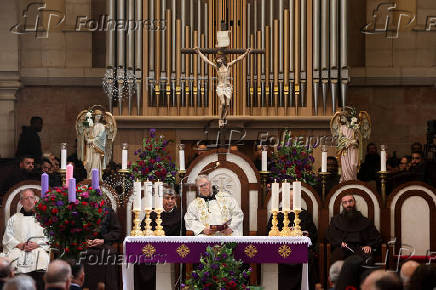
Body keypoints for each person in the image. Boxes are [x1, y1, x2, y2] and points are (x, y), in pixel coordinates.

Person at [135, 186, 185, 289]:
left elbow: (183, 232)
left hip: (174, 247)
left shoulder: (180, 213)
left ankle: (181, 285)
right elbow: (144, 230)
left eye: (173, 198)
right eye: (167, 198)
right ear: (161, 199)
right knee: (141, 255)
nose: (170, 201)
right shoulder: (153, 214)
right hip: (155, 247)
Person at [266, 194, 319, 290]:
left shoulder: (305, 214)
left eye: (293, 200)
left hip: (300, 248)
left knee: (309, 256)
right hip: (281, 248)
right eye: (289, 200)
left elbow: (313, 233)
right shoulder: (277, 214)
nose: (291, 203)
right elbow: (269, 232)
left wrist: (306, 233)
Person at [194, 47, 251, 127]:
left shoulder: (228, 65)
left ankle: (224, 118)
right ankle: (220, 119)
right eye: (217, 59)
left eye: (218, 59)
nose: (217, 60)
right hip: (220, 86)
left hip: (228, 87)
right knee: (223, 103)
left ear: (222, 59)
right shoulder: (216, 67)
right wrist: (198, 52)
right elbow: (206, 60)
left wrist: (246, 53)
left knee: (227, 105)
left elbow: (238, 59)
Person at [2, 189, 50, 277]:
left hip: (38, 250)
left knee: (42, 260)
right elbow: (8, 237)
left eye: (32, 198)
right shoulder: (14, 218)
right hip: (18, 250)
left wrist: (37, 244)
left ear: (35, 200)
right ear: (21, 202)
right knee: (12, 263)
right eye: (26, 198)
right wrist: (19, 245)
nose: (30, 201)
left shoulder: (43, 218)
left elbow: (49, 237)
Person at [327, 194, 382, 264]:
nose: (348, 204)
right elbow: (330, 235)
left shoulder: (365, 221)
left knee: (368, 257)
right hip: (343, 248)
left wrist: (369, 245)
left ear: (354, 202)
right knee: (337, 255)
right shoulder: (335, 220)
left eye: (350, 201)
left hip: (361, 249)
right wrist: (339, 242)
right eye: (345, 202)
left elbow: (376, 237)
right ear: (342, 205)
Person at [81, 207, 121, 290]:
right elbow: (77, 229)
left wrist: (103, 240)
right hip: (86, 245)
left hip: (104, 243)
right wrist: (84, 240)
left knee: (108, 254)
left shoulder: (108, 211)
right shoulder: (82, 208)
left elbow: (116, 231)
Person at [83, 109, 107, 179]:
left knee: (95, 164)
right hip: (89, 148)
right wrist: (86, 132)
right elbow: (86, 135)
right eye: (97, 116)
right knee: (89, 163)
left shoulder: (101, 126)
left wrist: (91, 140)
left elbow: (101, 138)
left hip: (97, 149)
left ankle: (95, 179)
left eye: (99, 116)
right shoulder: (91, 124)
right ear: (94, 116)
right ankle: (89, 178)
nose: (98, 117)